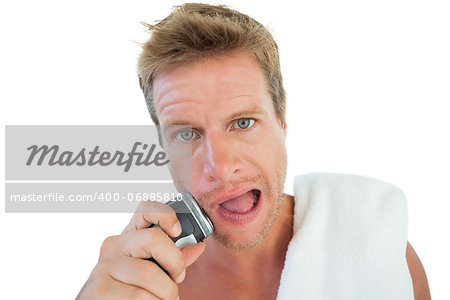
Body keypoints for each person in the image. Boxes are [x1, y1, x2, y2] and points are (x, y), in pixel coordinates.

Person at [77, 3, 431, 299]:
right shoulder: (133, 285)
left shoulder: (382, 247)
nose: (221, 166)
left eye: (243, 122)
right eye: (186, 133)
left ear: (282, 119)